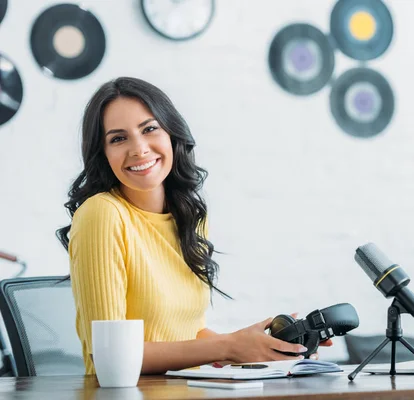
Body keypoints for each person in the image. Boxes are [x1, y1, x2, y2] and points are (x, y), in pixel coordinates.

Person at [56, 77, 331, 375]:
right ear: (103, 154)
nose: (139, 149)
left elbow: (188, 334)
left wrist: (260, 348)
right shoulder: (102, 213)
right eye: (118, 138)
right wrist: (228, 346)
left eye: (149, 129)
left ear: (171, 133)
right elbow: (111, 357)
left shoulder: (188, 217)